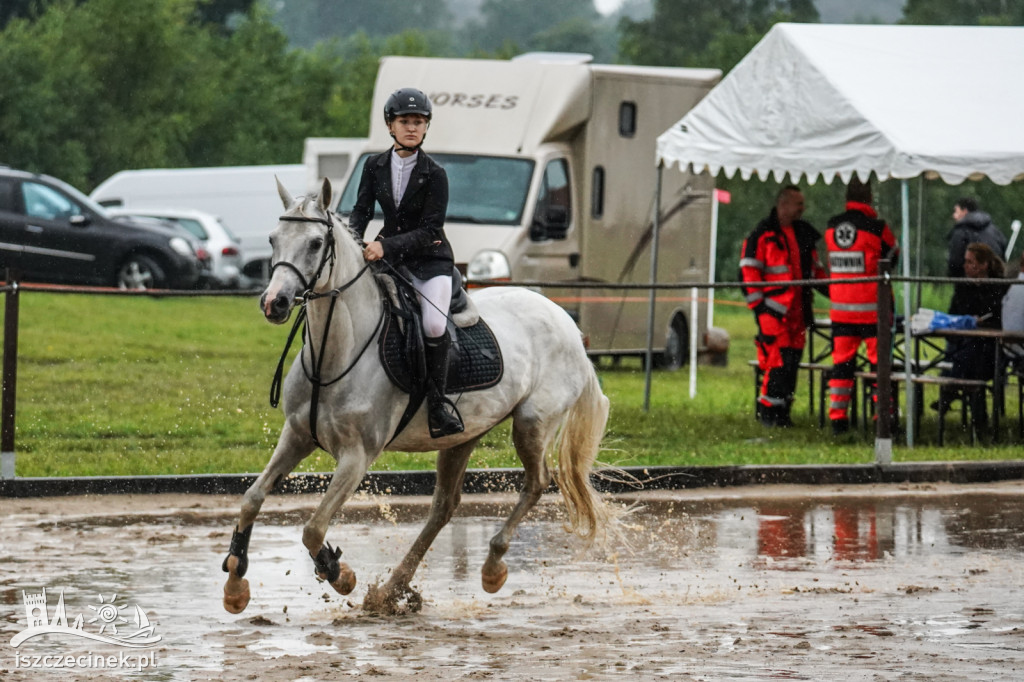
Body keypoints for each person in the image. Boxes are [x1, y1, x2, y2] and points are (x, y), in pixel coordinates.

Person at [348, 87, 464, 438]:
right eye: (404, 121)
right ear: (390, 125)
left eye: (418, 122)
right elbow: (362, 211)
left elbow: (431, 229)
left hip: (431, 263)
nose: (412, 128)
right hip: (391, 261)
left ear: (426, 127)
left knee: (431, 325)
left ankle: (439, 404)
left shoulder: (435, 173)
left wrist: (386, 247)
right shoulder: (374, 165)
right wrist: (352, 241)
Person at [740, 185, 827, 427]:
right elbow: (748, 273)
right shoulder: (762, 234)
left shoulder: (804, 234)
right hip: (774, 312)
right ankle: (768, 413)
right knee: (776, 362)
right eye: (798, 204)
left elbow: (817, 272)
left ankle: (783, 412)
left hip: (798, 313)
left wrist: (835, 292)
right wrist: (760, 309)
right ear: (783, 204)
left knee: (791, 363)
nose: (803, 209)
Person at [823, 177, 898, 436]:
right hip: (872, 311)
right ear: (869, 196)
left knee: (841, 365)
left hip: (841, 310)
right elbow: (893, 256)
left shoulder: (832, 227)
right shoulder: (877, 228)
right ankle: (882, 416)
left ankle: (838, 419)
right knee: (879, 366)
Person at [935, 242, 1009, 429]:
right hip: (964, 342)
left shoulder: (998, 287)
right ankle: (955, 397)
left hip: (991, 350)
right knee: (966, 357)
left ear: (984, 265)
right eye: (965, 261)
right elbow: (953, 313)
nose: (965, 266)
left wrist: (982, 320)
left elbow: (997, 317)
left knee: (971, 361)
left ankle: (950, 394)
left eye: (970, 262)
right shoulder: (963, 287)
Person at [947, 197, 1007, 278]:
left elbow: (955, 262)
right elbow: (1002, 258)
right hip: (994, 283)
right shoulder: (995, 230)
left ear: (965, 211)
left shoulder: (961, 231)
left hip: (967, 284)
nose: (954, 216)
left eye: (956, 211)